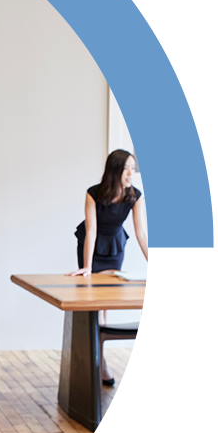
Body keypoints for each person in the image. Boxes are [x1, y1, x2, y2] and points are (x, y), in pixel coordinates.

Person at [67, 148, 148, 384]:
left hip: (114, 247)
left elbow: (141, 233)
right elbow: (91, 232)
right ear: (115, 170)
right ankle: (99, 362)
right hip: (92, 247)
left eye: (133, 168)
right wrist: (87, 268)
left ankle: (99, 360)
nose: (131, 173)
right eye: (127, 169)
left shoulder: (135, 196)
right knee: (93, 306)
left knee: (104, 304)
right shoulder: (93, 193)